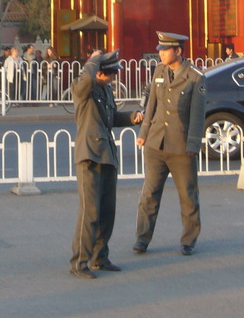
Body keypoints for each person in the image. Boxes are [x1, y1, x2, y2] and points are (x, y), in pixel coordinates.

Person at [133, 31, 207, 256]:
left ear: (178, 51)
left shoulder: (195, 77)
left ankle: (188, 240)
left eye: (165, 50)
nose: (161, 54)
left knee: (187, 194)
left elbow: (197, 115)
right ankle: (142, 238)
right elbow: (151, 106)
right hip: (156, 144)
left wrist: (193, 144)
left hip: (181, 147)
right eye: (160, 50)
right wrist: (143, 133)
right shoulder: (159, 71)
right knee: (149, 194)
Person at [69, 49, 134, 279]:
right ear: (101, 72)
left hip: (107, 154)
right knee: (90, 212)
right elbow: (84, 80)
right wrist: (93, 59)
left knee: (107, 211)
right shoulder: (84, 89)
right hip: (89, 156)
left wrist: (133, 117)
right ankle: (79, 262)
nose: (114, 78)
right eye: (111, 74)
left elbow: (113, 118)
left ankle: (100, 257)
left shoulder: (106, 91)